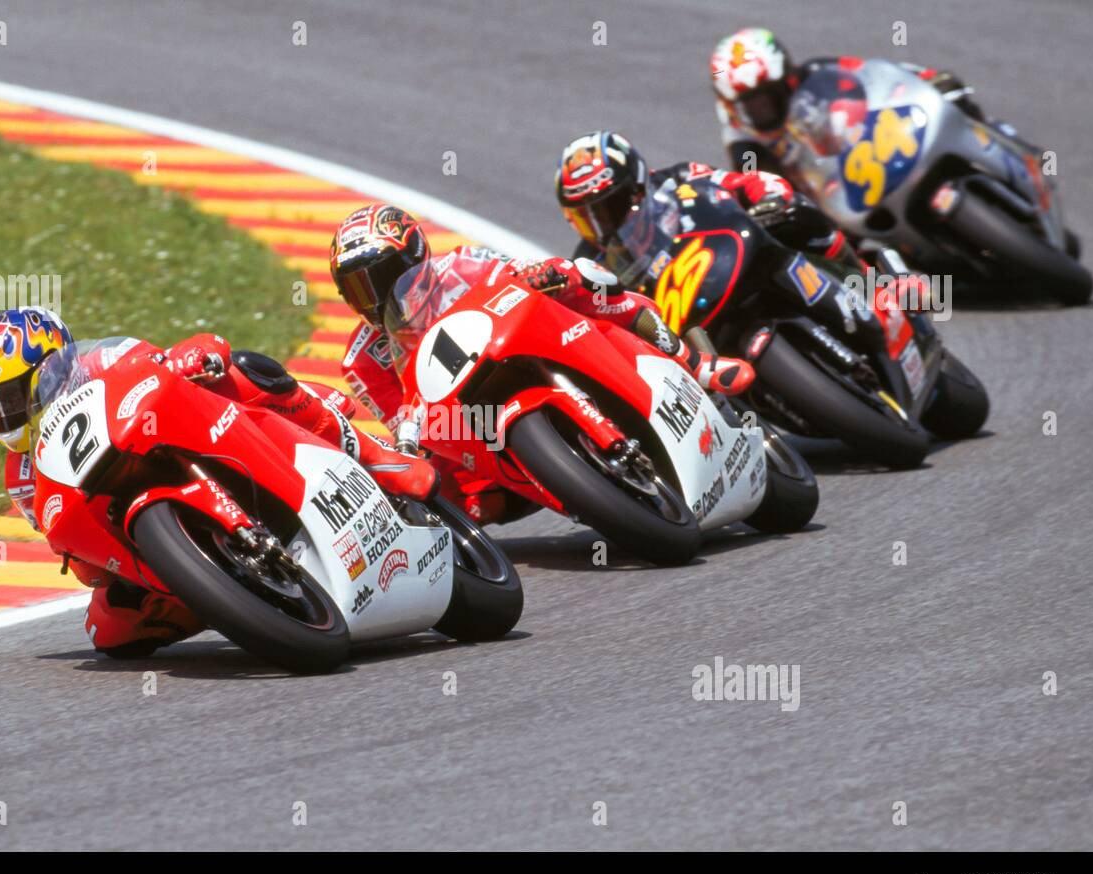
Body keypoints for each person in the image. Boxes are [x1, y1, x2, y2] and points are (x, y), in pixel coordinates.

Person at [0, 306, 434, 658]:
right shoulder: (23, 476)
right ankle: (224, 592)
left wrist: (197, 356)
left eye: (11, 396)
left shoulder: (105, 358)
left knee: (240, 372)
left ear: (49, 370)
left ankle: (372, 453)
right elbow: (80, 555)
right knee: (108, 631)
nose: (4, 415)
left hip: (197, 435)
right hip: (145, 539)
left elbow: (171, 360)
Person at [328, 203, 756, 523]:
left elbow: (521, 270)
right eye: (356, 289)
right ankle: (571, 485)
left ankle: (692, 360)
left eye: (379, 277)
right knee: (455, 500)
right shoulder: (362, 358)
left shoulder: (460, 265)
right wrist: (411, 441)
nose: (372, 297)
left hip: (528, 347)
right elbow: (398, 414)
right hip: (465, 419)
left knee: (586, 283)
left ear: (412, 255)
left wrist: (548, 274)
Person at [558, 129, 864, 273]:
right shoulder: (589, 265)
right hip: (688, 338)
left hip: (732, 265)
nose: (604, 226)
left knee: (797, 215)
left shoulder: (675, 179)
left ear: (637, 185)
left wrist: (770, 198)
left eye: (611, 208)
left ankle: (873, 284)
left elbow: (742, 182)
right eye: (589, 218)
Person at [710, 27, 990, 177]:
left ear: (788, 79)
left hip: (884, 149)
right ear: (733, 106)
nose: (764, 109)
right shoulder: (741, 137)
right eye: (752, 105)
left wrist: (927, 78)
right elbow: (758, 182)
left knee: (955, 109)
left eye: (770, 96)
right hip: (835, 202)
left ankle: (1002, 155)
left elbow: (877, 74)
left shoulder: (816, 73)